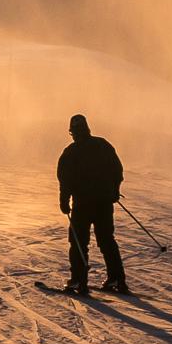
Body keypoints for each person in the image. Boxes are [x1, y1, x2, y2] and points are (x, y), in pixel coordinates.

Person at [56, 113, 128, 296]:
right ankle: (117, 278)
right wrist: (113, 190)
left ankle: (79, 281)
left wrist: (64, 201)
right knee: (106, 240)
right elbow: (117, 170)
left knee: (79, 242)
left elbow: (66, 180)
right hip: (104, 203)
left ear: (72, 132)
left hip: (83, 204)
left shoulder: (70, 152)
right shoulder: (102, 145)